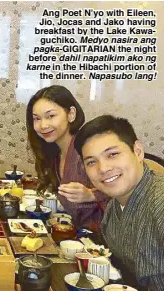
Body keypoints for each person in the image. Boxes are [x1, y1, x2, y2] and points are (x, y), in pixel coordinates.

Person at [74, 115, 164, 291]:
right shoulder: (114, 207)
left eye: (112, 154)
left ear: (137, 151)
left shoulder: (160, 201)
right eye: (91, 162)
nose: (103, 168)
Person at [26, 85, 109, 231]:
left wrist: (91, 195)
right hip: (74, 235)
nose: (43, 125)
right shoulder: (55, 152)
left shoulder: (86, 150)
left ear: (71, 114)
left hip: (103, 240)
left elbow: (125, 190)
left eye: (51, 116)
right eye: (37, 119)